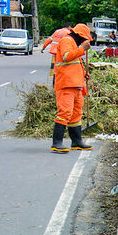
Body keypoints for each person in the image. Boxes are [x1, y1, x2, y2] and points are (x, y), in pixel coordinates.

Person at [51, 23, 93, 153]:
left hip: (76, 85)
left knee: (76, 114)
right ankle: (57, 143)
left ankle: (77, 142)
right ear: (79, 35)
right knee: (65, 112)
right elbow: (66, 57)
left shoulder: (74, 44)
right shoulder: (66, 41)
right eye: (84, 38)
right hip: (66, 84)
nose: (85, 41)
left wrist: (84, 74)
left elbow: (74, 64)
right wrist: (82, 49)